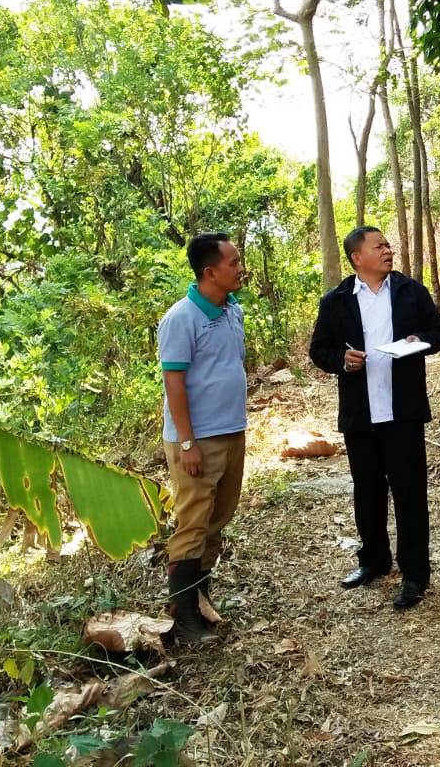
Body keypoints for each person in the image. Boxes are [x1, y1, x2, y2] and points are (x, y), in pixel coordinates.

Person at [309, 226, 440, 610]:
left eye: (388, 244)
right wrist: (342, 360)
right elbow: (319, 350)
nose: (388, 250)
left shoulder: (409, 291)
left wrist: (416, 340)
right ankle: (373, 560)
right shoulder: (336, 300)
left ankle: (415, 573)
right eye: (380, 246)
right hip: (361, 413)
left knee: (410, 494)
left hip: (402, 411)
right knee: (367, 491)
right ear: (358, 258)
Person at [157, 232, 249, 646]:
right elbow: (173, 382)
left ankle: (200, 596)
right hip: (197, 440)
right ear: (210, 271)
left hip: (231, 431)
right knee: (192, 522)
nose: (240, 266)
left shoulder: (232, 311)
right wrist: (188, 442)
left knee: (218, 518)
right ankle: (183, 616)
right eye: (233, 261)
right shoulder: (181, 318)